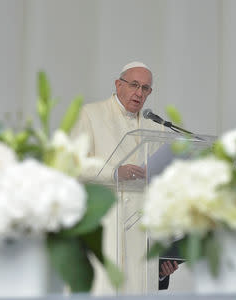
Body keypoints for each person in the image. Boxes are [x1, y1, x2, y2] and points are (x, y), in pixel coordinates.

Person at [71, 62, 179, 294]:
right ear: (119, 85)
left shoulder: (156, 128)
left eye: (146, 88)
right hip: (106, 225)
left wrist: (164, 258)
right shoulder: (91, 114)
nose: (139, 93)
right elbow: (74, 165)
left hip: (143, 234)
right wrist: (113, 172)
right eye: (134, 85)